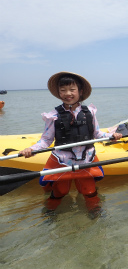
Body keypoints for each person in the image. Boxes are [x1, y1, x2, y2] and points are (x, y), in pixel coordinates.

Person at [19, 72, 122, 215]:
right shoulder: (53, 115)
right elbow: (46, 140)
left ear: (80, 91)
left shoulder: (90, 112)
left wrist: (111, 136)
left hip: (86, 159)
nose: (68, 93)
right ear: (59, 93)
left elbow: (97, 134)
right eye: (63, 90)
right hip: (62, 161)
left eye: (72, 90)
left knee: (89, 191)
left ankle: (95, 215)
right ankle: (50, 215)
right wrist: (31, 149)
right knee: (60, 191)